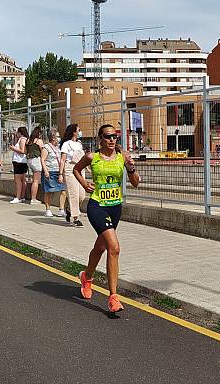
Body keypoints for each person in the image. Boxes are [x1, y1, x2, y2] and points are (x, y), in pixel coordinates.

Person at [74, 124, 140, 313]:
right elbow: (76, 170)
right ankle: (113, 297)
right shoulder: (91, 157)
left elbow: (135, 183)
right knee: (114, 247)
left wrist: (131, 168)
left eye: (115, 137)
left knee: (101, 247)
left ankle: (87, 276)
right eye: (108, 136)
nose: (112, 140)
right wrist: (84, 183)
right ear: (100, 139)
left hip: (115, 207)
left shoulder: (123, 157)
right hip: (97, 206)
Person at [59, 124, 85, 226]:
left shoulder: (79, 144)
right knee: (74, 194)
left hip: (80, 169)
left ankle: (69, 209)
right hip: (70, 169)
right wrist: (60, 174)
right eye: (78, 130)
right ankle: (76, 218)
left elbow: (82, 158)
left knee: (81, 196)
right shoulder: (66, 144)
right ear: (74, 132)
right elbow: (63, 159)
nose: (80, 131)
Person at [40, 128, 67, 217]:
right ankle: (48, 209)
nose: (59, 138)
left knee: (63, 190)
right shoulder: (46, 147)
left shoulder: (58, 147)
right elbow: (42, 160)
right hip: (50, 171)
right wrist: (46, 171)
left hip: (58, 171)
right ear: (53, 137)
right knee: (49, 191)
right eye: (57, 136)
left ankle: (61, 209)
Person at [9, 127, 28, 204]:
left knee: (18, 180)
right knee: (23, 179)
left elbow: (22, 151)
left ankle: (18, 197)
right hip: (23, 161)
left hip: (19, 161)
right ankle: (22, 196)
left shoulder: (22, 139)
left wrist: (13, 148)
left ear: (20, 132)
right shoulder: (25, 139)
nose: (16, 134)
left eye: (17, 132)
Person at [25, 126, 44, 205]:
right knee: (35, 181)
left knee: (34, 179)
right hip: (36, 160)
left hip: (29, 160)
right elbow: (42, 151)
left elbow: (25, 151)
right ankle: (33, 199)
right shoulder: (39, 141)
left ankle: (33, 197)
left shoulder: (28, 141)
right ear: (39, 133)